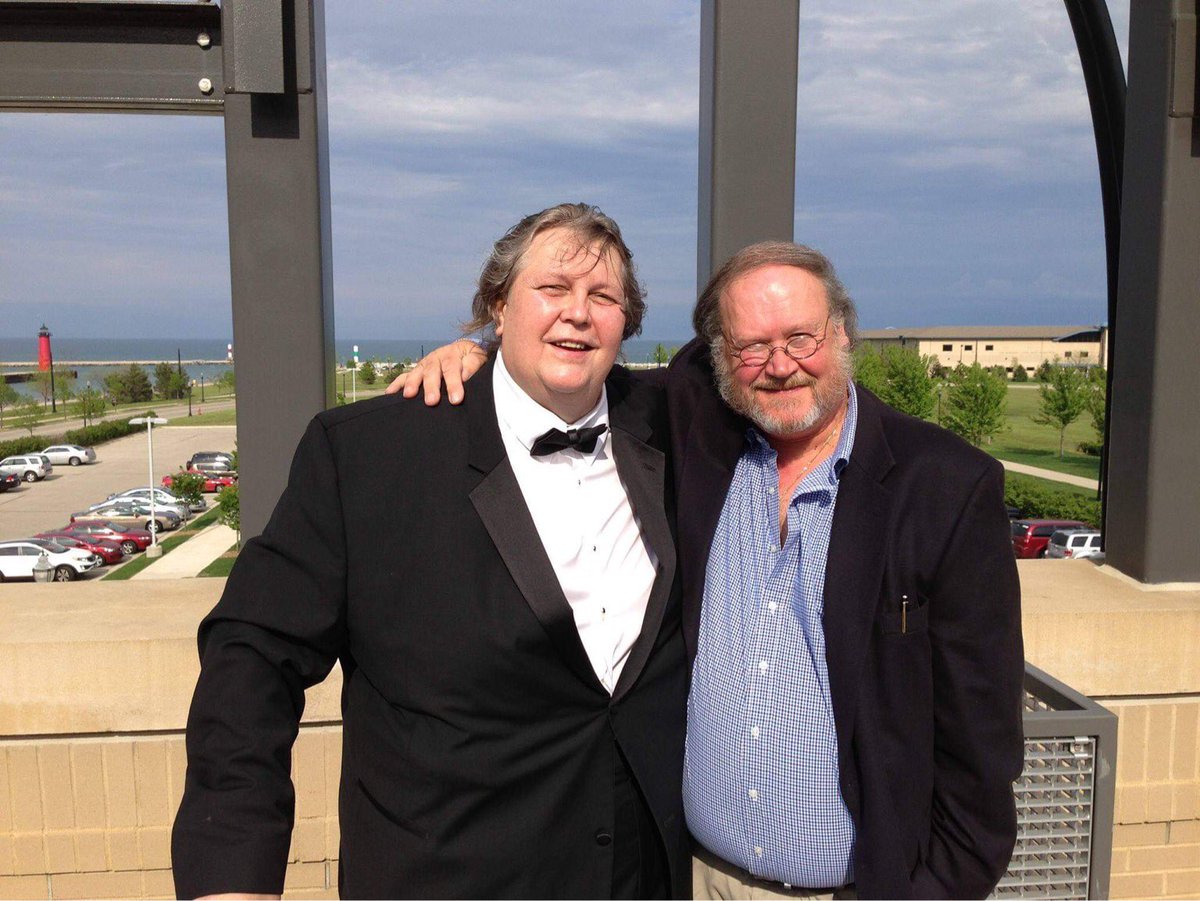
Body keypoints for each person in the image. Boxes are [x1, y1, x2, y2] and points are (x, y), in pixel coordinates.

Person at [390, 240, 1025, 900]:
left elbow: (982, 749)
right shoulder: (702, 444)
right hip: (694, 879)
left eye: (801, 337)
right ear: (724, 360)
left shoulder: (943, 486)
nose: (780, 365)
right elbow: (581, 374)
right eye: (752, 346)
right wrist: (484, 357)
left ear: (840, 332)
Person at [172, 203, 691, 899]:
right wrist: (233, 872)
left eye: (604, 296)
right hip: (443, 878)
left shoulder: (670, 428)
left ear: (626, 323)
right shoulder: (370, 452)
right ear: (496, 305)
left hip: (635, 880)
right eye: (553, 288)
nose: (578, 312)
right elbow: (254, 655)